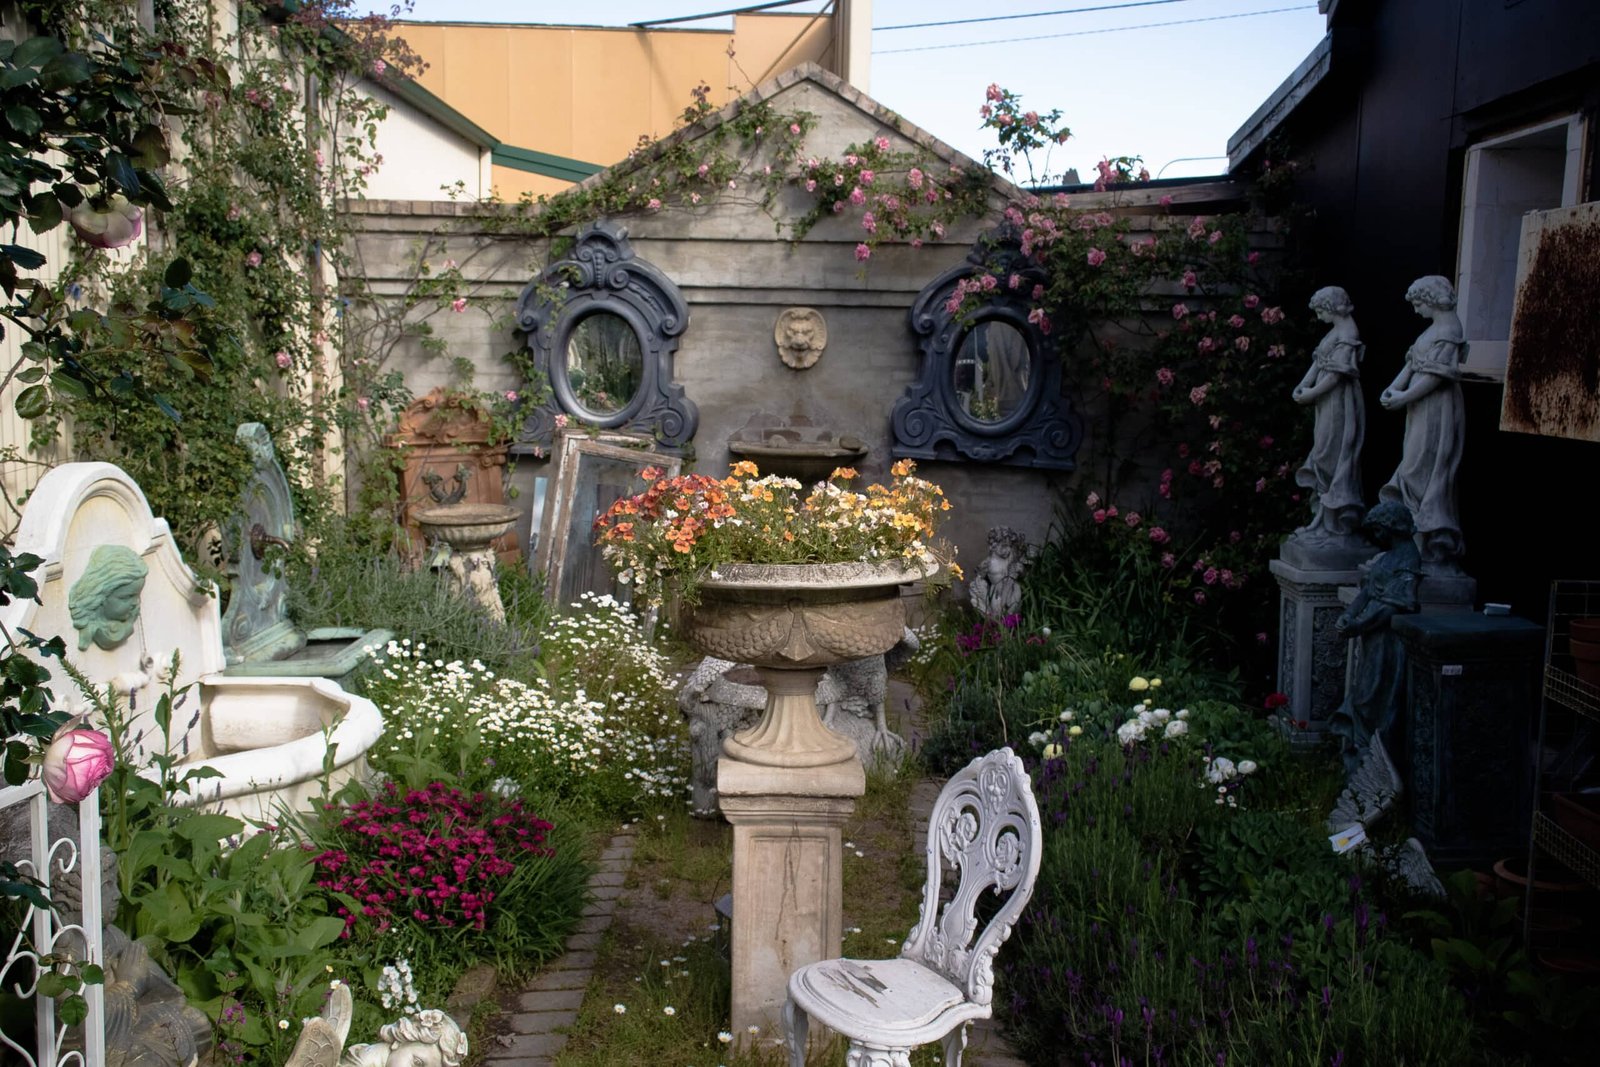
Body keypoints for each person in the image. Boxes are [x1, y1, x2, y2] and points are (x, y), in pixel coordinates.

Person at [1378, 276, 1467, 569]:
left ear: (1431, 299)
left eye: (1418, 303)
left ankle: (1426, 546)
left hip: (1436, 410)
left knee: (1424, 469)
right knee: (1413, 466)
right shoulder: (1432, 330)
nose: (1416, 310)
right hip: (1421, 409)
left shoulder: (1450, 330)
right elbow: (1413, 364)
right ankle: (1409, 546)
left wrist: (1403, 397)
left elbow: (1435, 376)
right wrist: (1394, 389)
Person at [1327, 501, 1421, 771]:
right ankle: (1360, 757)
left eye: (1379, 531)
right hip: (1374, 639)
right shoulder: (1388, 557)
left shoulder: (1409, 560)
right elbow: (1367, 592)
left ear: (1392, 528)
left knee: (1377, 697)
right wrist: (1350, 615)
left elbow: (1393, 606)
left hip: (1390, 643)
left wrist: (1358, 625)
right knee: (1366, 693)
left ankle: (1374, 763)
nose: (1377, 537)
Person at [1291, 286, 1365, 539]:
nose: (1319, 316)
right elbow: (1319, 362)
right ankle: (1322, 518)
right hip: (1327, 401)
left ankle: (1332, 523)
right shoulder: (1335, 332)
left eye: (1321, 310)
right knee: (1324, 451)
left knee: (1329, 453)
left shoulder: (1348, 333)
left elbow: (1336, 374)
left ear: (1332, 307)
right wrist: (1304, 384)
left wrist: (1311, 392)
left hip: (1338, 402)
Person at [67, 544, 150, 651]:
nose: (135, 603)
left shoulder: (125, 617)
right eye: (126, 597)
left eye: (137, 595)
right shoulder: (93, 627)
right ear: (100, 597)